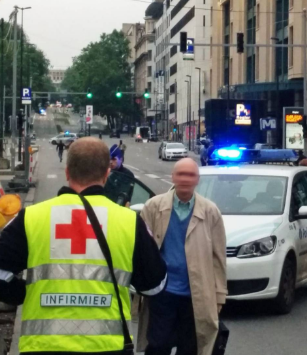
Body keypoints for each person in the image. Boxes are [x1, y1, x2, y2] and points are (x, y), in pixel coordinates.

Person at [0, 138, 167, 354]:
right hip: (107, 346)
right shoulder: (129, 221)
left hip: (44, 345)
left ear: (67, 172)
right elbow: (155, 285)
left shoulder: (31, 217)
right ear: (107, 175)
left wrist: (19, 293)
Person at [137, 158, 227, 355]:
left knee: (190, 348)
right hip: (162, 292)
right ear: (172, 177)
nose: (185, 179)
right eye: (181, 174)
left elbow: (218, 258)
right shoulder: (153, 207)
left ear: (197, 180)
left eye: (191, 175)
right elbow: (142, 251)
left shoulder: (210, 212)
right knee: (158, 345)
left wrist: (219, 296)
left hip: (195, 295)